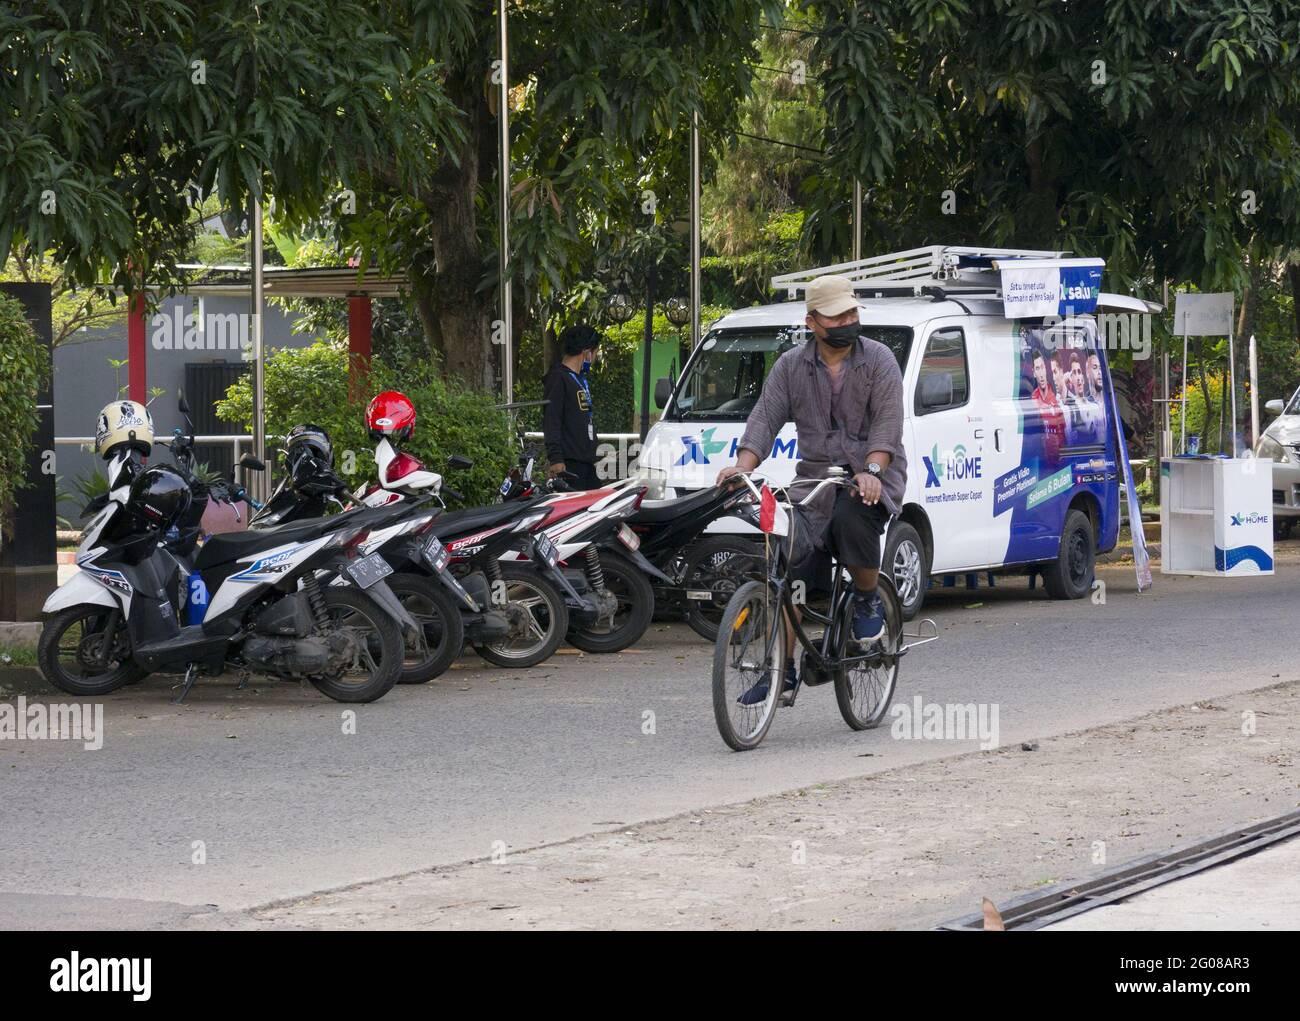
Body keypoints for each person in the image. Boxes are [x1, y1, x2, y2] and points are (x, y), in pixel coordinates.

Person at [716, 274, 906, 703]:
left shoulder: (879, 360)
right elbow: (764, 419)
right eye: (838, 315)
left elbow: (888, 425)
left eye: (852, 313)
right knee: (788, 558)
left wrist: (873, 468)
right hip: (815, 481)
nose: (848, 320)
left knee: (850, 520)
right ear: (812, 322)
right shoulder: (790, 367)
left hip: (872, 477)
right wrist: (741, 466)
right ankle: (781, 669)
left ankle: (865, 598)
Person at [542, 324, 603, 490]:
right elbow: (551, 419)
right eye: (595, 353)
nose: (595, 358)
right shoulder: (558, 378)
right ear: (586, 353)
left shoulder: (579, 379)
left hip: (586, 463)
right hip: (569, 464)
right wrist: (555, 458)